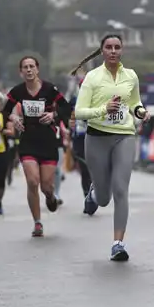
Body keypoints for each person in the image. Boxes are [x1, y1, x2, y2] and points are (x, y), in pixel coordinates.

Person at [73, 34, 150, 262]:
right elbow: (79, 112)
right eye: (109, 47)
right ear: (102, 51)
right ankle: (95, 193)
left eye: (117, 47)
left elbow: (135, 103)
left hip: (124, 136)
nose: (113, 51)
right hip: (97, 138)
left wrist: (141, 112)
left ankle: (118, 243)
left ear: (122, 50)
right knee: (105, 198)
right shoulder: (92, 78)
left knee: (120, 189)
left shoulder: (131, 76)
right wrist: (103, 110)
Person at [3, 56, 71, 237]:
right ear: (21, 72)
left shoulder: (49, 89)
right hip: (28, 141)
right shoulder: (17, 91)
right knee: (32, 181)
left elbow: (66, 109)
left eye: (32, 66)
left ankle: (50, 197)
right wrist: (14, 118)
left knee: (46, 187)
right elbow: (5, 111)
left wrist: (53, 116)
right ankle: (37, 223)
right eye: (25, 67)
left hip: (48, 140)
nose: (29, 70)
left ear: (37, 69)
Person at [68, 78, 93, 209]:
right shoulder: (74, 100)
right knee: (84, 169)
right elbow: (67, 116)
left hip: (96, 137)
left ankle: (95, 192)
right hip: (79, 138)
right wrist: (69, 124)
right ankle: (87, 198)